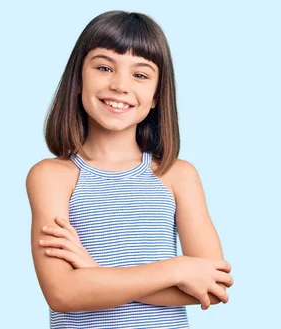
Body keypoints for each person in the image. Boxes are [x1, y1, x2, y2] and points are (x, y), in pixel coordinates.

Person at [25, 10, 234, 329]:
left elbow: (213, 284)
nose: (120, 85)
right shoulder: (52, 177)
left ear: (155, 96)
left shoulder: (178, 175)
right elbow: (63, 293)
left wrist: (94, 274)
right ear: (78, 79)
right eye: (104, 67)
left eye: (140, 74)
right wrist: (177, 269)